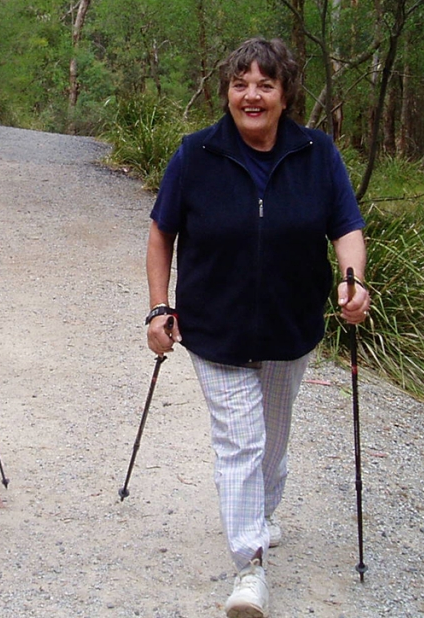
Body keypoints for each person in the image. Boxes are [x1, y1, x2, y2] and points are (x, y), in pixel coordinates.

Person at [144, 37, 370, 618]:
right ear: (226, 92)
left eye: (265, 85)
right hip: (214, 329)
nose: (251, 95)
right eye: (240, 83)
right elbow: (160, 232)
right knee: (240, 442)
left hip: (289, 328)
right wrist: (157, 306)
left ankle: (262, 513)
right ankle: (250, 567)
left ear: (285, 93)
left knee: (270, 442)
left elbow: (346, 225)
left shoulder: (318, 154)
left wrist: (352, 280)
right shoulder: (196, 154)